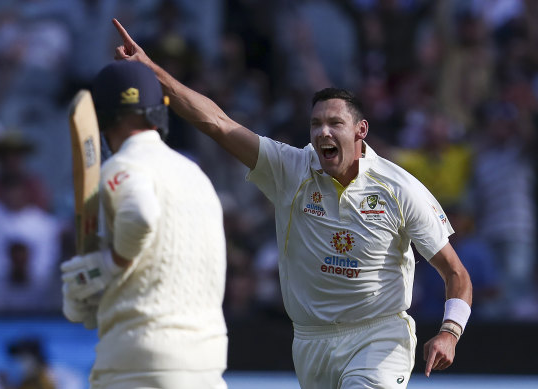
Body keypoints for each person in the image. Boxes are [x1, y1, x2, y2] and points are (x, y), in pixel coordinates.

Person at [111, 18, 473, 388]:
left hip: (378, 336)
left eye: (334, 123)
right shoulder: (289, 168)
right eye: (315, 124)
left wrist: (449, 332)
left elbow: (456, 273)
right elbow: (217, 123)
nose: (323, 133)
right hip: (310, 340)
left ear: (360, 131)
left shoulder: (399, 188)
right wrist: (151, 71)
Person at [60, 60, 228, 389]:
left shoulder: (123, 166)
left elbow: (139, 215)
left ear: (102, 118)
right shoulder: (195, 175)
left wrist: (105, 267)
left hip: (139, 364)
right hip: (207, 364)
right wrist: (100, 291)